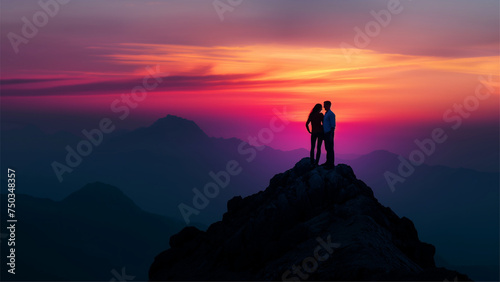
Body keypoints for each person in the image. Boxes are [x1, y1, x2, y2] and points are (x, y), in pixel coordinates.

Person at [322, 100, 336, 168]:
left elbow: (333, 126)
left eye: (325, 105)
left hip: (329, 133)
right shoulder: (326, 114)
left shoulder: (331, 114)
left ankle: (331, 163)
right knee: (327, 148)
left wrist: (331, 135)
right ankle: (328, 162)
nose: (324, 106)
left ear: (328, 105)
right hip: (326, 133)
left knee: (330, 148)